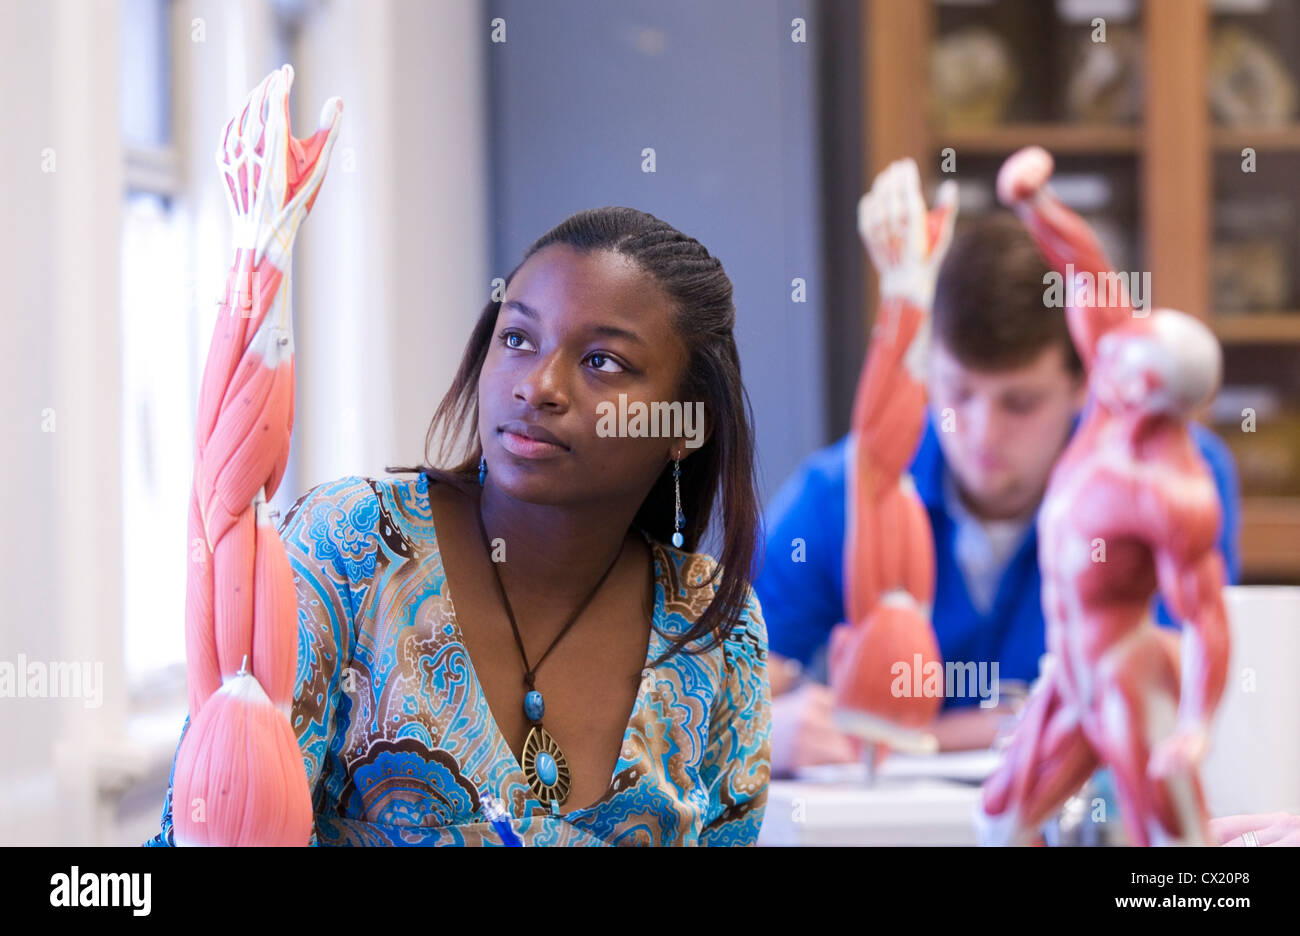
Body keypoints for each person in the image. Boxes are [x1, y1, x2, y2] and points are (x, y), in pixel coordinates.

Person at [146, 206, 771, 846]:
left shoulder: (716, 625)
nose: (540, 386)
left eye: (603, 362)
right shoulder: (349, 548)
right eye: (518, 339)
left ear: (685, 429)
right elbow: (209, 831)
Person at [758, 207, 1241, 778]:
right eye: (958, 392)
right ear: (927, 367)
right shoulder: (838, 493)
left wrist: (906, 737)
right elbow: (740, 688)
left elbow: (1155, 699)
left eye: (1020, 402)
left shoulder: (1160, 475)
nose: (981, 434)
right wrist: (765, 733)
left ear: (1086, 381)